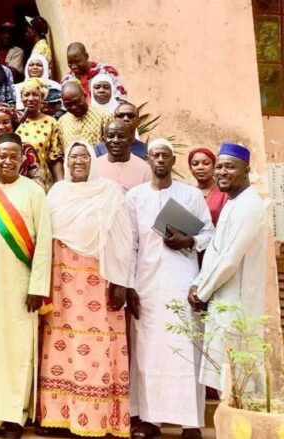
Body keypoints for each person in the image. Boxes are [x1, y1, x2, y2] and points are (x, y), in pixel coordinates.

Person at [37, 140, 135, 438]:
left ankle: (95, 419)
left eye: (83, 157)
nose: (78, 161)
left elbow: (122, 240)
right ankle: (59, 417)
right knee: (60, 346)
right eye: (73, 157)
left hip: (98, 284)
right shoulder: (57, 193)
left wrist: (120, 283)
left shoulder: (110, 193)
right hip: (62, 285)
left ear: (93, 160)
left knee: (97, 348)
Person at [0, 133, 52, 439]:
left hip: (21, 286)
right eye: (2, 155)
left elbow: (43, 243)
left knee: (17, 350)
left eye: (13, 156)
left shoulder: (34, 192)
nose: (7, 160)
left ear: (22, 158)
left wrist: (37, 286)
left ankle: (16, 417)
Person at [127, 139, 213, 439]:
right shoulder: (135, 198)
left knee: (185, 350)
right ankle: (151, 420)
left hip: (182, 282)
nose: (160, 160)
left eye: (165, 155)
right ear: (147, 160)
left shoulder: (189, 195)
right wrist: (129, 287)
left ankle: (191, 422)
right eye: (154, 155)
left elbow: (210, 236)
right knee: (148, 354)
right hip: (146, 285)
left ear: (173, 161)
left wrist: (189, 241)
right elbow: (131, 245)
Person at [189, 143, 268, 393]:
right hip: (223, 300)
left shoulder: (249, 206)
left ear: (247, 170)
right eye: (220, 167)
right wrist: (200, 283)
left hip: (237, 304)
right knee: (228, 380)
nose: (222, 172)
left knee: (241, 382)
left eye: (230, 167)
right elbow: (215, 251)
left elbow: (230, 259)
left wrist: (202, 292)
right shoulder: (233, 202)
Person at [15, 78, 63, 185]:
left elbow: (55, 157)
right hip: (17, 182)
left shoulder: (51, 122)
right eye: (26, 94)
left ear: (42, 98)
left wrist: (61, 185)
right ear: (21, 98)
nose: (31, 98)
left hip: (43, 181)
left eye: (35, 95)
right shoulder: (14, 120)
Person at [96, 119, 151, 192]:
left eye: (121, 136)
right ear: (104, 140)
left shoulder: (145, 170)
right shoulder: (94, 167)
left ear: (130, 139)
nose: (115, 140)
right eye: (111, 136)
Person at [57, 81, 113, 152]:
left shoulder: (105, 116)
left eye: (76, 102)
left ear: (85, 95)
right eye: (68, 104)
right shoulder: (62, 122)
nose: (73, 107)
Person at [62, 42, 126, 103]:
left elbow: (119, 98)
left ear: (86, 56)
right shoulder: (67, 81)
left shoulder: (106, 72)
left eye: (77, 61)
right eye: (70, 63)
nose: (73, 67)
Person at [188, 147, 229, 226]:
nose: (200, 167)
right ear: (190, 168)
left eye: (206, 163)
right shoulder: (188, 194)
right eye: (195, 164)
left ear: (214, 166)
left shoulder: (225, 193)